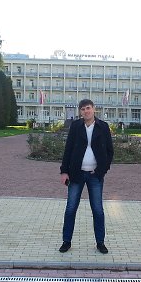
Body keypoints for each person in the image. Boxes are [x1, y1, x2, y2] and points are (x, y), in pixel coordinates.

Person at [59, 99, 114, 254]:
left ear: (94, 109)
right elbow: (68, 149)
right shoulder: (76, 126)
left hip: (95, 175)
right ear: (80, 112)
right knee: (70, 209)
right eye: (82, 109)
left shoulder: (103, 127)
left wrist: (102, 170)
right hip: (76, 173)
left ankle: (100, 242)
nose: (86, 111)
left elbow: (109, 151)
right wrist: (64, 171)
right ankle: (66, 241)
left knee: (98, 210)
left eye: (88, 108)